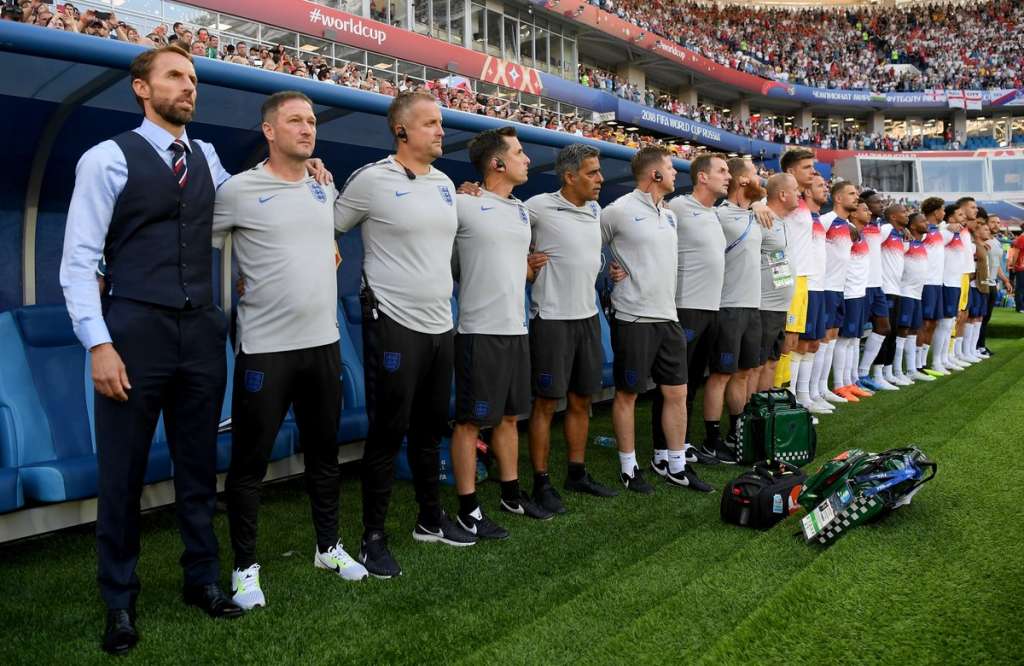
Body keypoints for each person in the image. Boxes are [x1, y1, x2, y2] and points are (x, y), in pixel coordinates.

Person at [59, 45, 248, 655]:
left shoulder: (208, 157)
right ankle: (119, 599)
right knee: (123, 472)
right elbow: (79, 262)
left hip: (200, 332)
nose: (189, 87)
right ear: (142, 89)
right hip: (134, 329)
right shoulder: (106, 158)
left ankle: (203, 580)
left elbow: (251, 201)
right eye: (175, 77)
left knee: (198, 467)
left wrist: (311, 172)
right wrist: (99, 343)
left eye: (193, 79)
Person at [212, 91, 368, 611]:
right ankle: (245, 567)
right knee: (249, 466)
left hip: (322, 346)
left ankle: (328, 547)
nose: (307, 129)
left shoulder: (324, 187)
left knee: (324, 457)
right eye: (295, 121)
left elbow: (325, 247)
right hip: (265, 351)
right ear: (269, 131)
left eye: (312, 121)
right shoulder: (237, 191)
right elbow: (199, 247)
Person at [335, 91, 476, 579]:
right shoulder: (373, 180)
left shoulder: (443, 184)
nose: (441, 131)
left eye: (440, 123)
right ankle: (373, 536)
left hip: (442, 323)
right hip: (393, 324)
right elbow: (326, 225)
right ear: (402, 131)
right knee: (386, 433)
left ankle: (429, 520)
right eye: (431, 123)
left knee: (430, 428)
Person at [450, 127, 551, 541]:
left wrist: (530, 268)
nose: (527, 159)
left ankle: (511, 493)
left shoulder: (522, 211)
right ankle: (467, 509)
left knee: (510, 416)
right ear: (497, 163)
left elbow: (516, 269)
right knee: (471, 423)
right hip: (479, 331)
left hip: (516, 328)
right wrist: (461, 191)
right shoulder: (463, 204)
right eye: (519, 152)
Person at [601, 146, 709, 494]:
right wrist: (607, 273)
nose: (676, 173)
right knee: (628, 394)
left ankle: (675, 464)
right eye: (670, 167)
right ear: (654, 174)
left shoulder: (670, 214)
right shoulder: (617, 211)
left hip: (668, 316)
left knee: (677, 391)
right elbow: (589, 247)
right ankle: (628, 466)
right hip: (633, 317)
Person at [523, 144, 618, 513]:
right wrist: (524, 261)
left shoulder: (595, 210)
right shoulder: (537, 207)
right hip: (551, 320)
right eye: (593, 173)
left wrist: (616, 268)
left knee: (583, 400)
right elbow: (500, 227)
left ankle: (576, 473)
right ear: (570, 176)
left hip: (587, 318)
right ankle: (541, 482)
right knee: (546, 404)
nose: (600, 179)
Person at [649, 152, 727, 468]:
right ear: (702, 177)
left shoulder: (715, 213)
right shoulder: (678, 206)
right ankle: (661, 451)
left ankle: (681, 443)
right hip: (684, 307)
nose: (729, 176)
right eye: (721, 171)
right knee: (672, 383)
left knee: (691, 381)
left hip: (711, 308)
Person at [698, 157, 764, 463]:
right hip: (727, 307)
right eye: (755, 175)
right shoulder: (718, 216)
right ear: (743, 181)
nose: (760, 178)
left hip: (752, 306)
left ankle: (737, 431)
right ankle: (711, 440)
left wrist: (758, 204)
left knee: (744, 373)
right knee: (721, 375)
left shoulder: (754, 215)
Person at [754, 174, 798, 393]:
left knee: (771, 362)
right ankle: (748, 416)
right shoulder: (762, 217)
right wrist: (755, 204)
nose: (798, 193)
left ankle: (765, 411)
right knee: (757, 366)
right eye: (795, 190)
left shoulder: (782, 221)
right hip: (764, 306)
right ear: (782, 194)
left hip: (779, 307)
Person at [818, 180, 859, 405]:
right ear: (838, 198)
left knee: (831, 338)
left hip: (839, 289)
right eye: (851, 193)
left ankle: (823, 388)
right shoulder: (825, 221)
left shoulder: (847, 226)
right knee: (821, 340)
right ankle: (811, 391)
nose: (856, 197)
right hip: (825, 288)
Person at [793, 174, 831, 413]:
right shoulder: (797, 212)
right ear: (806, 192)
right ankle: (792, 399)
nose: (824, 189)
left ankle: (806, 395)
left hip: (820, 285)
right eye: (820, 186)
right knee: (799, 344)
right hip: (804, 284)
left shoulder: (815, 217)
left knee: (813, 343)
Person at [833, 202, 874, 401]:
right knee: (845, 339)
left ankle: (851, 381)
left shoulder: (861, 232)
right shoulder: (847, 231)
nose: (869, 212)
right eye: (864, 209)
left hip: (860, 292)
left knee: (854, 340)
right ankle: (839, 385)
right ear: (854, 213)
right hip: (848, 292)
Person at [854, 190, 892, 391]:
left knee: (884, 327)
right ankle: (850, 378)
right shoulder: (857, 227)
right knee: (853, 334)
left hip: (877, 285)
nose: (881, 204)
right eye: (875, 202)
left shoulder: (878, 227)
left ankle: (862, 372)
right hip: (861, 285)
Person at [873, 204, 911, 387]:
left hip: (896, 289)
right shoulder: (887, 229)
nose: (907, 214)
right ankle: (877, 373)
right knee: (885, 332)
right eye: (903, 212)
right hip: (885, 288)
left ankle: (887, 371)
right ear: (893, 217)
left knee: (893, 332)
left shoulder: (898, 233)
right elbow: (871, 246)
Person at [896, 212, 934, 383]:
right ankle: (896, 370)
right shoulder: (906, 241)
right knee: (902, 330)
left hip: (917, 294)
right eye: (923, 221)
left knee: (913, 330)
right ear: (912, 226)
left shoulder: (920, 243)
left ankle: (910, 369)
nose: (927, 223)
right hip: (905, 292)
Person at [918, 197, 947, 376]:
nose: (944, 213)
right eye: (942, 210)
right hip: (926, 282)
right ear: (936, 211)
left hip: (937, 282)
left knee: (933, 322)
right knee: (924, 323)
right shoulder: (923, 231)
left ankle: (923, 362)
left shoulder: (938, 231)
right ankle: (916, 364)